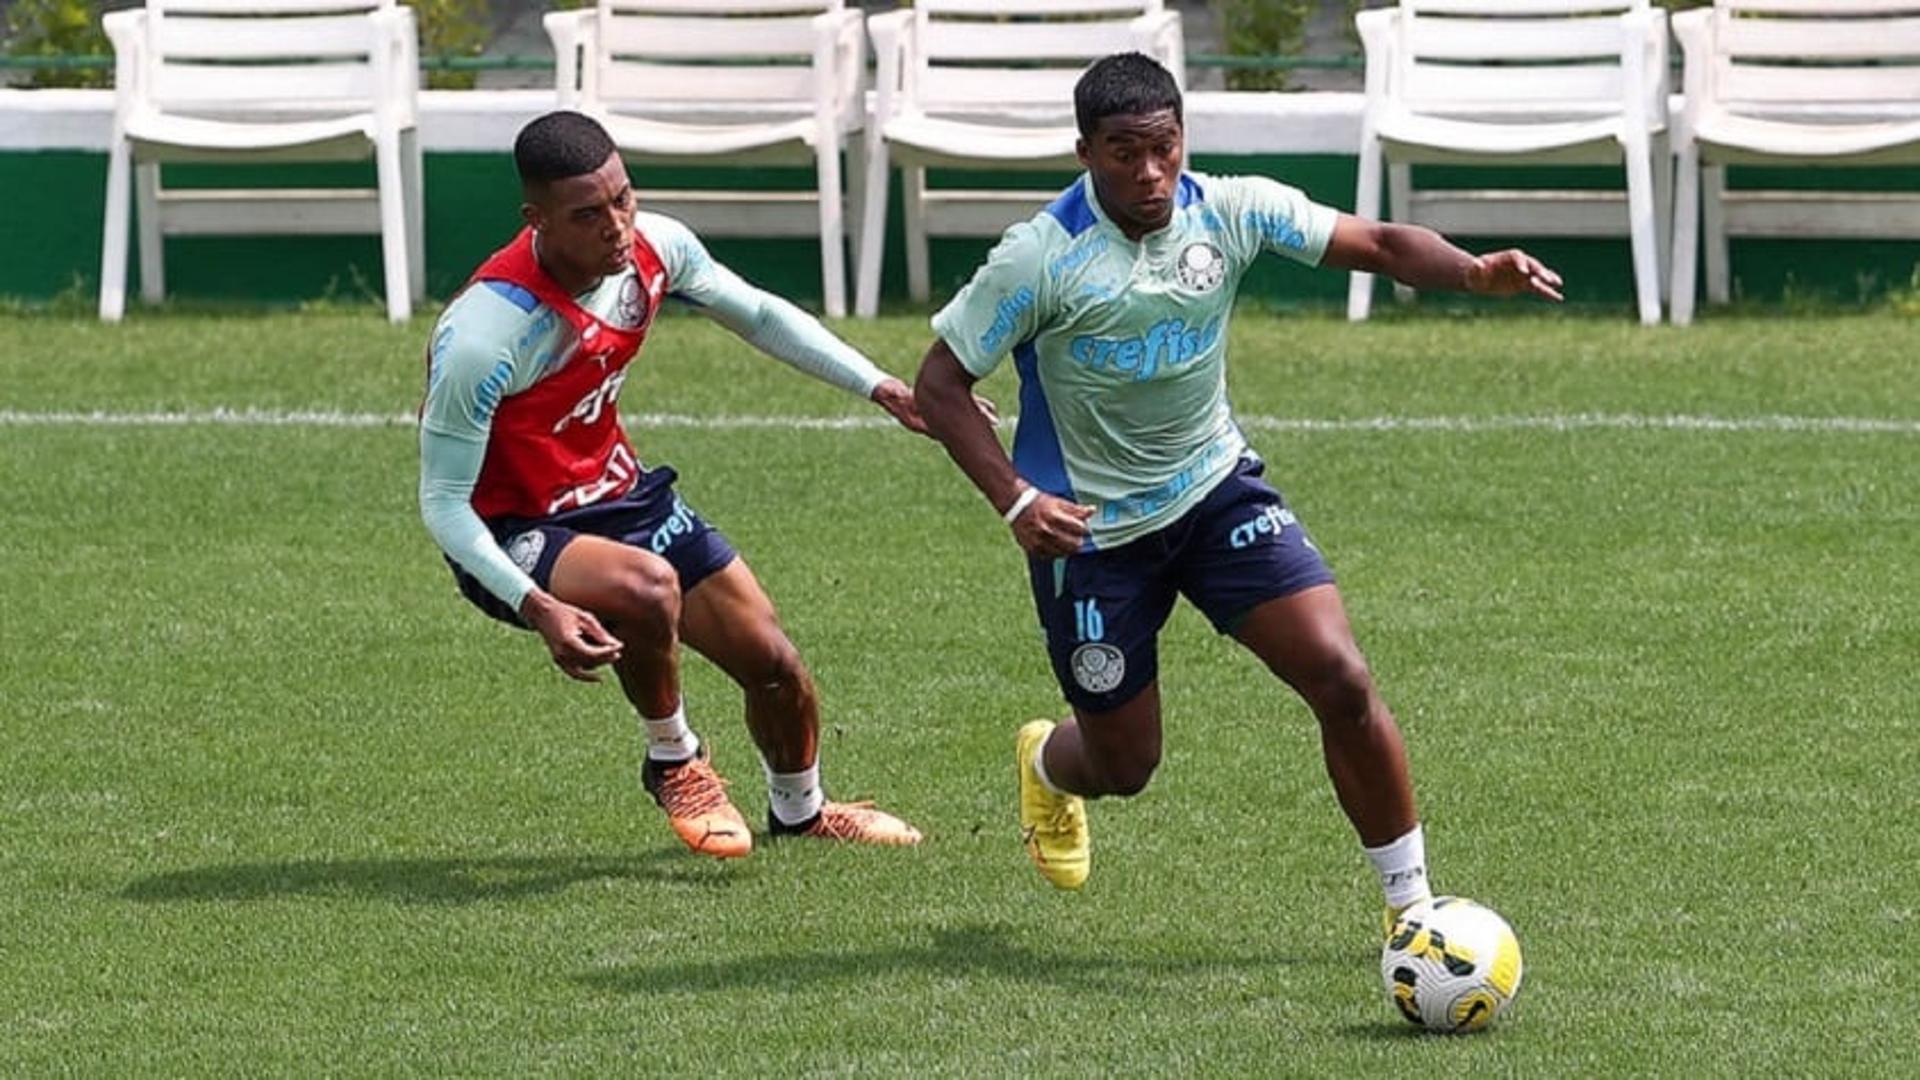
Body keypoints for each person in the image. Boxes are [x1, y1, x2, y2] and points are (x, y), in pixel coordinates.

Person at [911, 54, 1562, 916]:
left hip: (1215, 493)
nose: (1148, 173)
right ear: (1083, 152)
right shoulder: (1038, 258)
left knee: (1341, 677)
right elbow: (939, 383)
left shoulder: (1230, 209)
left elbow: (1376, 242)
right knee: (1125, 766)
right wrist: (1017, 499)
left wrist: (1473, 273)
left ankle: (1417, 913)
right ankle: (1045, 762)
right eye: (1122, 153)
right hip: (1094, 536)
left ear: (1184, 138)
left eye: (1164, 147)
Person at [419, 110, 923, 859]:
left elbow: (755, 312)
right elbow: (444, 504)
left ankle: (802, 812)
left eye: (623, 198)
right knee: (649, 588)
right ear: (537, 220)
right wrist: (540, 605)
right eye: (589, 214)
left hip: (618, 495)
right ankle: (674, 759)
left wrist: (879, 384)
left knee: (776, 667)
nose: (618, 226)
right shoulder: (484, 335)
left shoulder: (655, 246)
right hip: (510, 530)